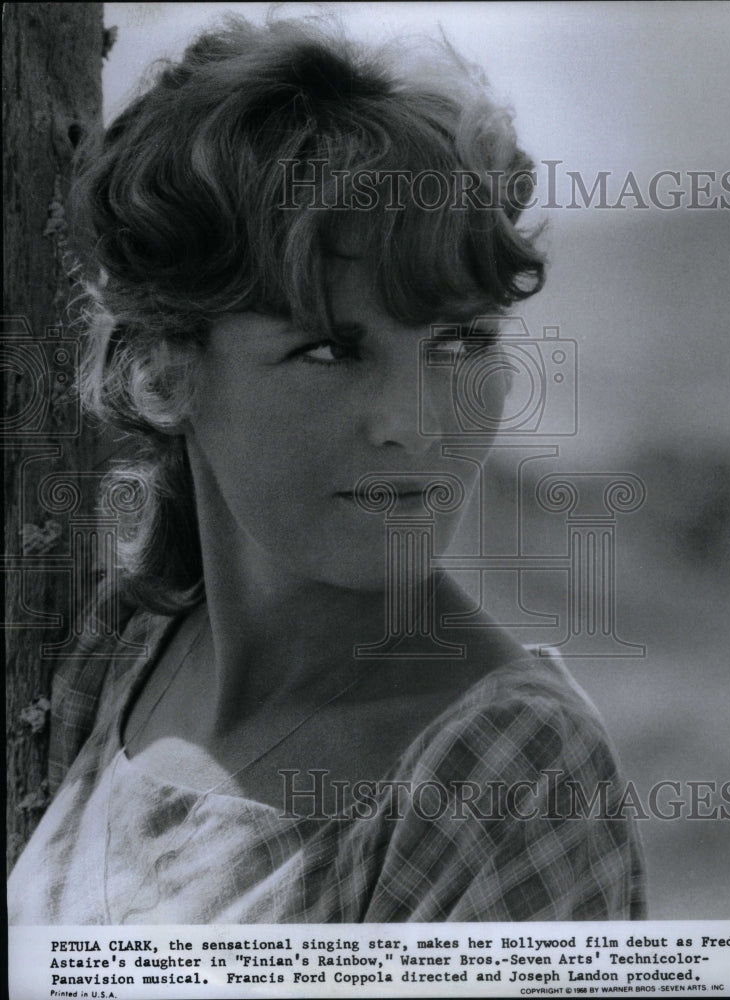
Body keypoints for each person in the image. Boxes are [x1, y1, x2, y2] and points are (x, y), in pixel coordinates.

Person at [8, 14, 645, 924]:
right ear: (163, 367)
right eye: (327, 351)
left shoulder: (507, 772)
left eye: (461, 340)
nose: (413, 425)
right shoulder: (117, 656)